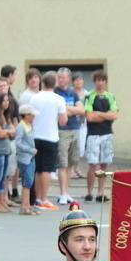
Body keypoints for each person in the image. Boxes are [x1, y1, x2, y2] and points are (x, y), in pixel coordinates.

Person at [30, 71, 68, 210]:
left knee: (38, 168)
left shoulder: (34, 98)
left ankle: (38, 197)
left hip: (35, 135)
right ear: (55, 83)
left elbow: (30, 117)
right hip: (50, 136)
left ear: (42, 83)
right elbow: (63, 121)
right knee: (46, 169)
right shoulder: (58, 99)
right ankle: (44, 198)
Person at [83, 71, 119, 202]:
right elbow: (89, 116)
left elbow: (114, 115)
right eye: (98, 80)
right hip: (93, 135)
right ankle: (89, 192)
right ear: (95, 81)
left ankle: (101, 192)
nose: (100, 83)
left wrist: (99, 114)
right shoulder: (89, 96)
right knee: (93, 164)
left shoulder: (110, 96)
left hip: (107, 134)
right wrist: (106, 115)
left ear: (105, 82)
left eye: (102, 80)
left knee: (105, 164)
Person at [54, 68, 85, 206]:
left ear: (68, 79)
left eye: (63, 77)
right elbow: (57, 111)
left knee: (70, 164)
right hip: (61, 130)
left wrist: (67, 109)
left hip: (74, 129)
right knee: (62, 163)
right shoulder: (55, 92)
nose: (60, 80)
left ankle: (67, 193)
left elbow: (82, 110)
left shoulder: (73, 93)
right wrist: (68, 110)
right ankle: (62, 193)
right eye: (59, 77)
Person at [15, 104, 37, 215]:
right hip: (25, 158)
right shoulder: (21, 126)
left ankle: (27, 205)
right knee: (26, 182)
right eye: (32, 115)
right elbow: (18, 143)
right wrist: (30, 150)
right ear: (26, 115)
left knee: (29, 181)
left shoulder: (29, 125)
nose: (34, 117)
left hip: (31, 157)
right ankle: (24, 207)